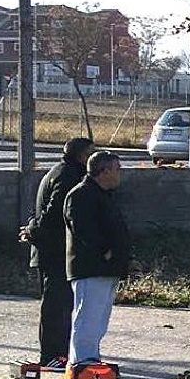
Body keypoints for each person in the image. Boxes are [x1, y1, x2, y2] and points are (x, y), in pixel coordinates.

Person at [19, 137, 93, 368]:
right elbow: (53, 213)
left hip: (53, 250)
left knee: (60, 305)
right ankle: (51, 355)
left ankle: (59, 353)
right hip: (55, 252)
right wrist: (34, 231)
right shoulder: (67, 175)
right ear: (81, 155)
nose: (93, 157)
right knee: (55, 306)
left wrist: (32, 229)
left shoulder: (60, 171)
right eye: (91, 153)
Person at [64, 150, 129, 366]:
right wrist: (105, 251)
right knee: (87, 318)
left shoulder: (102, 195)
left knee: (99, 321)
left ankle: (91, 360)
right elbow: (83, 230)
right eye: (117, 169)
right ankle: (82, 363)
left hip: (107, 269)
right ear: (104, 171)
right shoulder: (81, 195)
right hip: (90, 267)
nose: (120, 174)